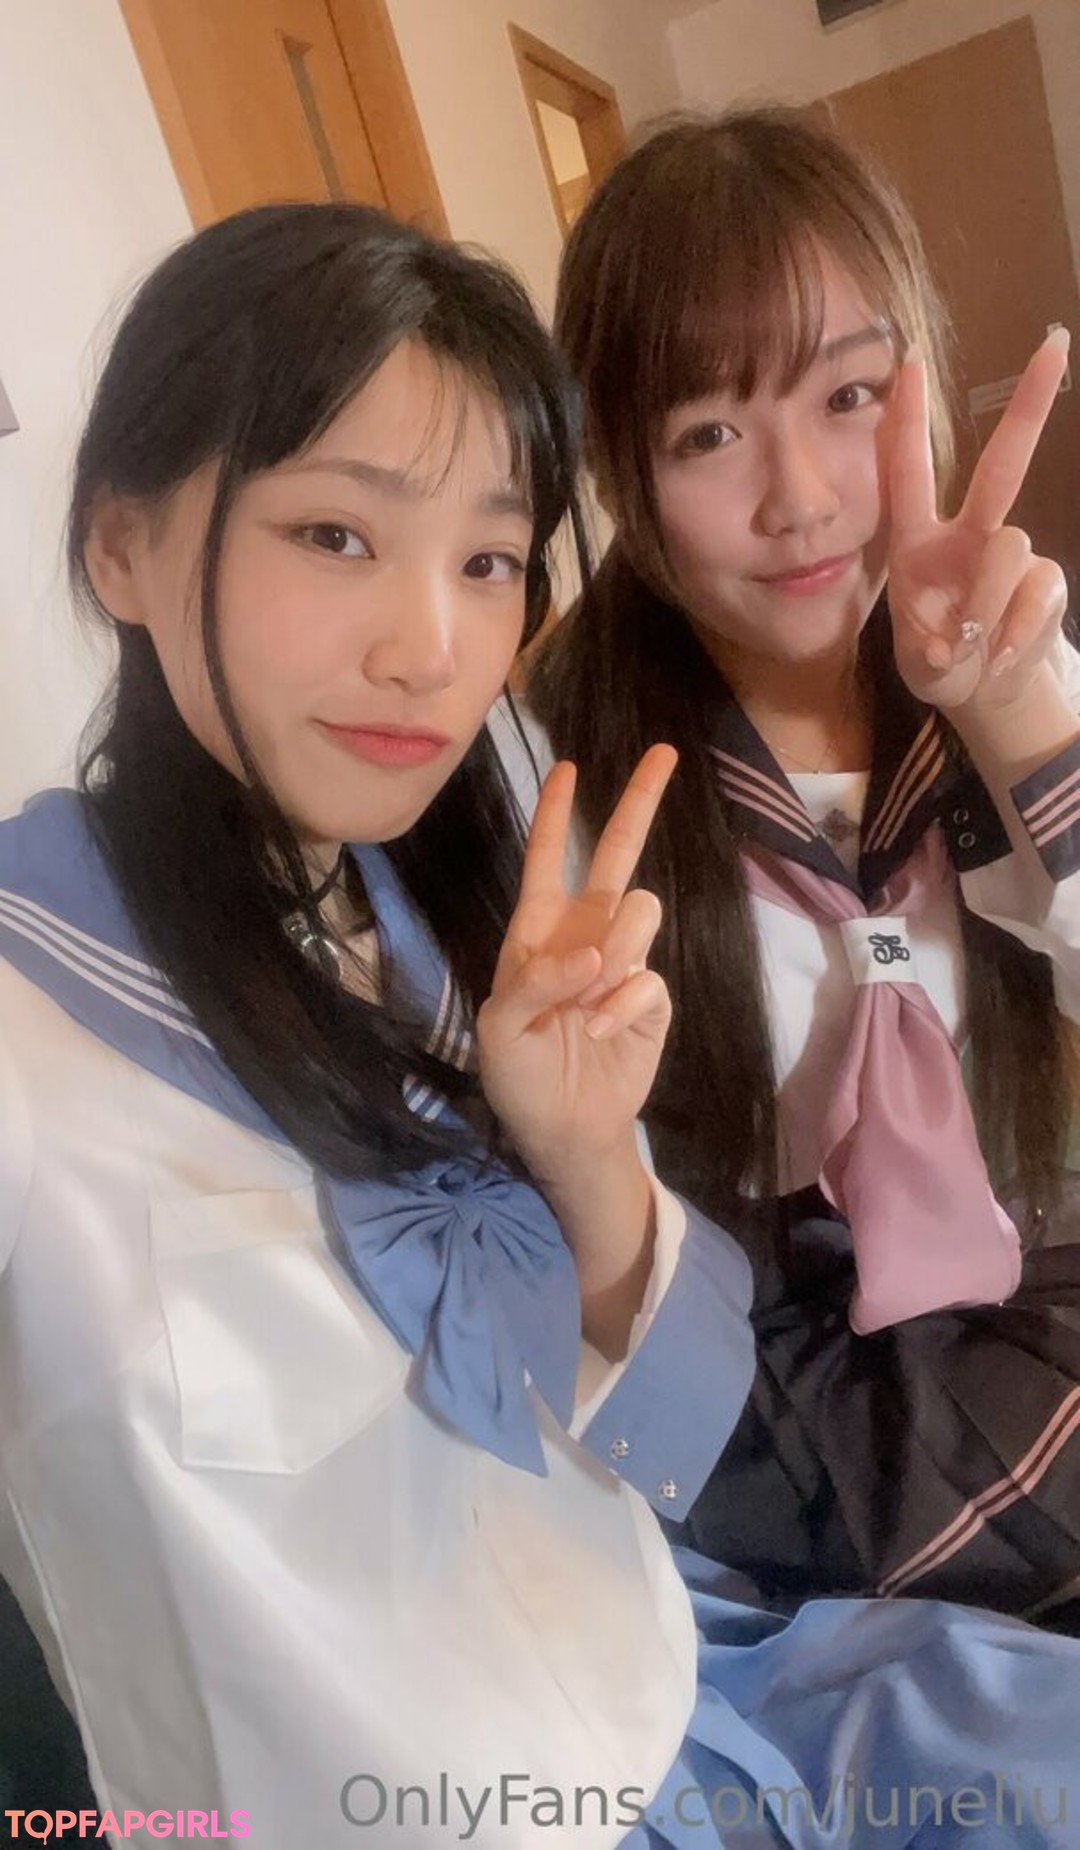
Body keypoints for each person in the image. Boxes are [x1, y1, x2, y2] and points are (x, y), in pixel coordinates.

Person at [5, 198, 1080, 1850]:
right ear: (118, 544)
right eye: (336, 534)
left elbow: (652, 1420)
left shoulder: (477, 876)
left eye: (489, 560)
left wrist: (583, 1157)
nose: (429, 648)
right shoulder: (49, 1031)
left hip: (695, 1677)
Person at [529, 105, 1080, 1626]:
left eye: (849, 396)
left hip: (1023, 1255)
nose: (804, 499)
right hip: (764, 1370)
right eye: (710, 433)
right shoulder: (570, 786)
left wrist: (1010, 709)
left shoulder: (1010, 667)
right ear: (620, 466)